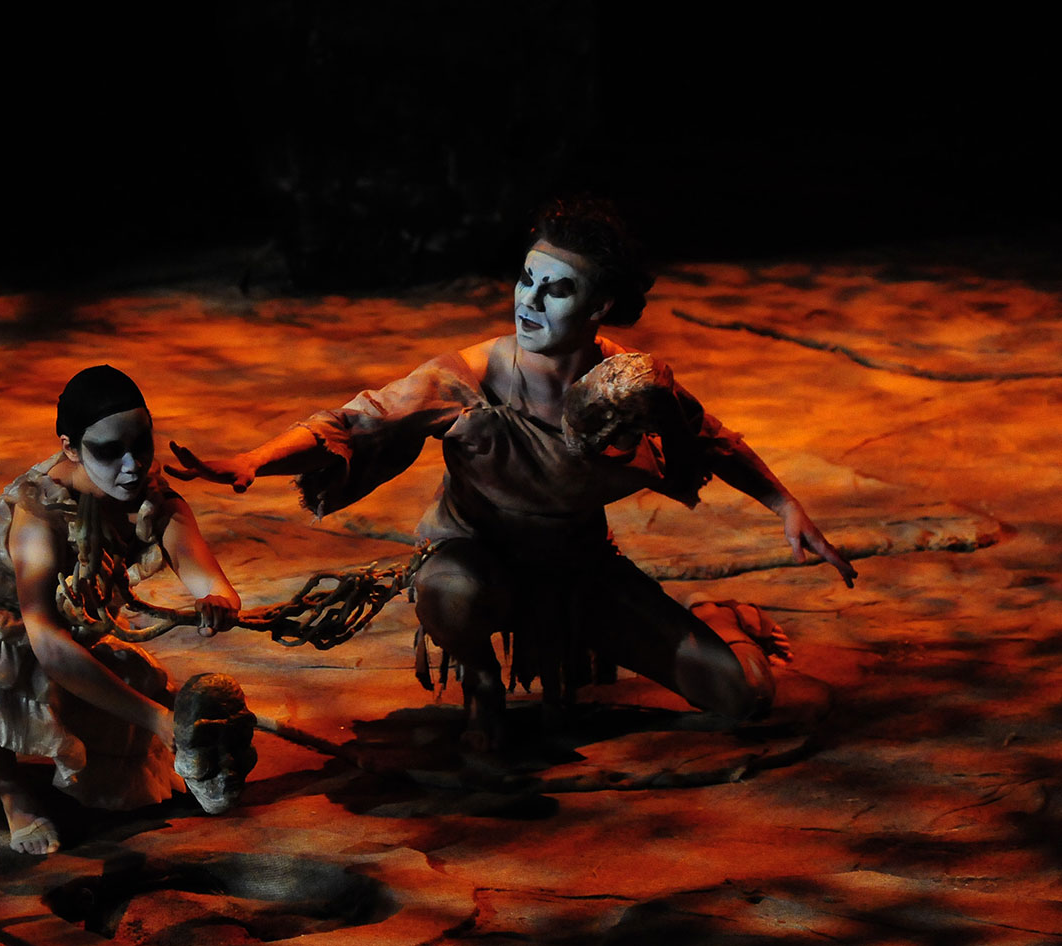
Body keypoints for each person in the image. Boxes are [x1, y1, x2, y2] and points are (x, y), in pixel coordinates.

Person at [169, 198, 856, 750]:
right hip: (479, 561)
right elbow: (354, 420)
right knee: (451, 588)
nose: (530, 299)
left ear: (599, 309)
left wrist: (785, 504)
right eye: (527, 278)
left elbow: (710, 440)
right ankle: (480, 682)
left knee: (746, 697)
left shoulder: (627, 384)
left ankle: (719, 615)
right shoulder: (468, 376)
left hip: (584, 571)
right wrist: (254, 459)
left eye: (556, 290)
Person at [0, 365, 241, 854]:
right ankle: (10, 790)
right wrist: (155, 719)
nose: (132, 465)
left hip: (60, 632)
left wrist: (215, 601)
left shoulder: (152, 499)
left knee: (138, 692)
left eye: (141, 443)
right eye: (109, 452)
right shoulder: (40, 515)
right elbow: (48, 644)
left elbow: (204, 573)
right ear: (70, 447)